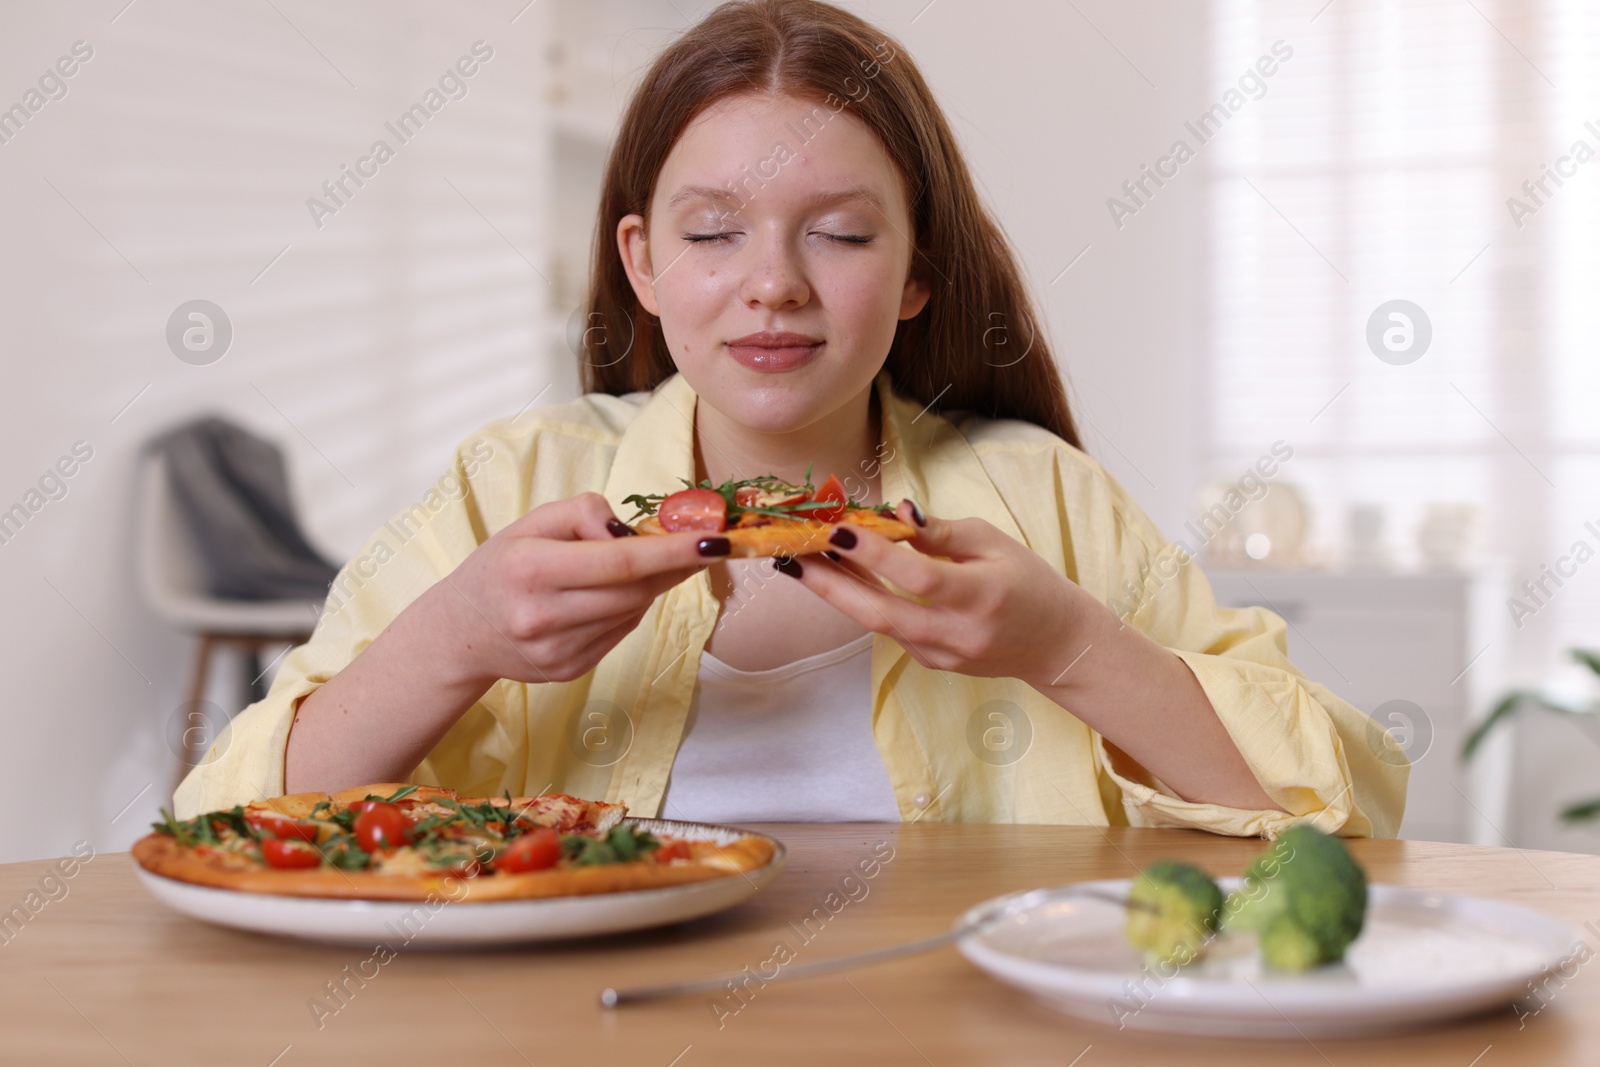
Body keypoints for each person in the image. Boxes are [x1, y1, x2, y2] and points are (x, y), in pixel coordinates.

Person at [176, 0, 1406, 837]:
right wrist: (448, 640)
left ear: (919, 271)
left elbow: (1351, 807)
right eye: (712, 233)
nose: (773, 281)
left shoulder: (1044, 501)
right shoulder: (515, 485)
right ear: (644, 263)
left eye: (842, 232)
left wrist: (1066, 647)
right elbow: (217, 827)